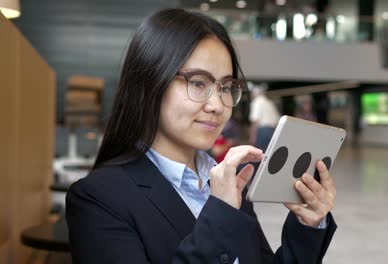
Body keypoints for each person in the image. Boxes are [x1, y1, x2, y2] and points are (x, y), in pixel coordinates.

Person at [66, 8, 337, 264]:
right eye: (198, 83)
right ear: (150, 83)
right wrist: (221, 212)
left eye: (226, 87)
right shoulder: (99, 198)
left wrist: (308, 225)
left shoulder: (225, 181)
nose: (218, 105)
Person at [249, 83, 281, 153]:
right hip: (273, 131)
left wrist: (253, 137)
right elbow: (277, 119)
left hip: (263, 132)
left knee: (260, 154)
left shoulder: (256, 102)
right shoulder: (269, 102)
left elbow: (255, 121)